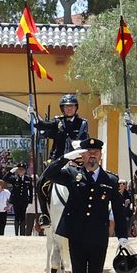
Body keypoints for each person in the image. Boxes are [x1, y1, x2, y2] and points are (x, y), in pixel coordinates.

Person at [43, 137, 132, 273]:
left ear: (101, 155)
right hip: (76, 236)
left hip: (99, 237)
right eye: (88, 153)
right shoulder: (72, 174)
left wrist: (123, 237)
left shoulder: (111, 180)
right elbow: (49, 174)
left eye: (96, 153)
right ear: (82, 156)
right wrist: (66, 157)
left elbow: (118, 210)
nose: (92, 156)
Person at [34, 94, 89, 225]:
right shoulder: (57, 122)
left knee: (90, 181)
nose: (69, 109)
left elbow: (85, 138)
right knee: (41, 183)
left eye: (71, 106)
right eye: (66, 106)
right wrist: (34, 116)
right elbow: (42, 125)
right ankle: (45, 215)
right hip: (57, 160)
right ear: (62, 108)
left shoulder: (83, 123)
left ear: (76, 107)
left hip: (77, 160)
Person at [9, 165, 33, 234]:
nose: (21, 171)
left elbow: (30, 190)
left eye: (22, 170)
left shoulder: (28, 179)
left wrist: (30, 200)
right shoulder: (14, 178)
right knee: (16, 216)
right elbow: (5, 178)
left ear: (25, 171)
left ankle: (22, 233)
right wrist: (11, 171)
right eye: (19, 169)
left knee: (23, 217)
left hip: (24, 200)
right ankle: (16, 233)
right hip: (16, 200)